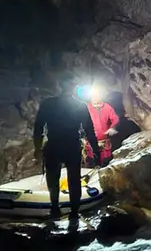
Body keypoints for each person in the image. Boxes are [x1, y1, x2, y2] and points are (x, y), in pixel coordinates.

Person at [33, 75, 101, 219]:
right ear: (73, 88)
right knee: (74, 179)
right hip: (71, 145)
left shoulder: (48, 104)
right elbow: (89, 130)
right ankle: (74, 212)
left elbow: (38, 127)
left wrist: (37, 148)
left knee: (53, 178)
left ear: (60, 86)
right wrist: (96, 151)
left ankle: (55, 208)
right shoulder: (79, 106)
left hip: (54, 144)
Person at [84, 86, 119, 167]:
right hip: (90, 145)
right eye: (93, 96)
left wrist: (112, 127)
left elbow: (115, 118)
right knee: (92, 167)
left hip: (104, 145)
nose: (95, 98)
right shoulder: (86, 108)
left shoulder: (107, 107)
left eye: (97, 95)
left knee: (106, 166)